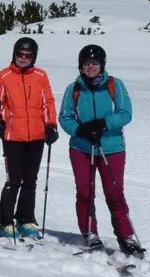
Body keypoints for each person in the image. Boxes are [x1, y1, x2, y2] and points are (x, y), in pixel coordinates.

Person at [58, 44, 144, 257]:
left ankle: (125, 236)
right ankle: (89, 232)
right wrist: (80, 130)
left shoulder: (114, 85)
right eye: (87, 63)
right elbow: (64, 117)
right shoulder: (74, 89)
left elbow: (125, 113)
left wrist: (104, 123)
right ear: (81, 66)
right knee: (85, 192)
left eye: (94, 63)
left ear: (102, 65)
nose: (90, 67)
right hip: (82, 148)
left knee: (114, 192)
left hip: (112, 148)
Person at [0, 37, 58, 239]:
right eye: (20, 54)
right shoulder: (4, 76)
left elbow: (47, 102)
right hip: (13, 136)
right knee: (14, 180)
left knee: (30, 180)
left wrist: (50, 125)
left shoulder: (40, 75)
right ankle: (4, 220)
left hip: (36, 136)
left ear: (33, 57)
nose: (23, 58)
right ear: (14, 54)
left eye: (28, 55)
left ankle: (26, 218)